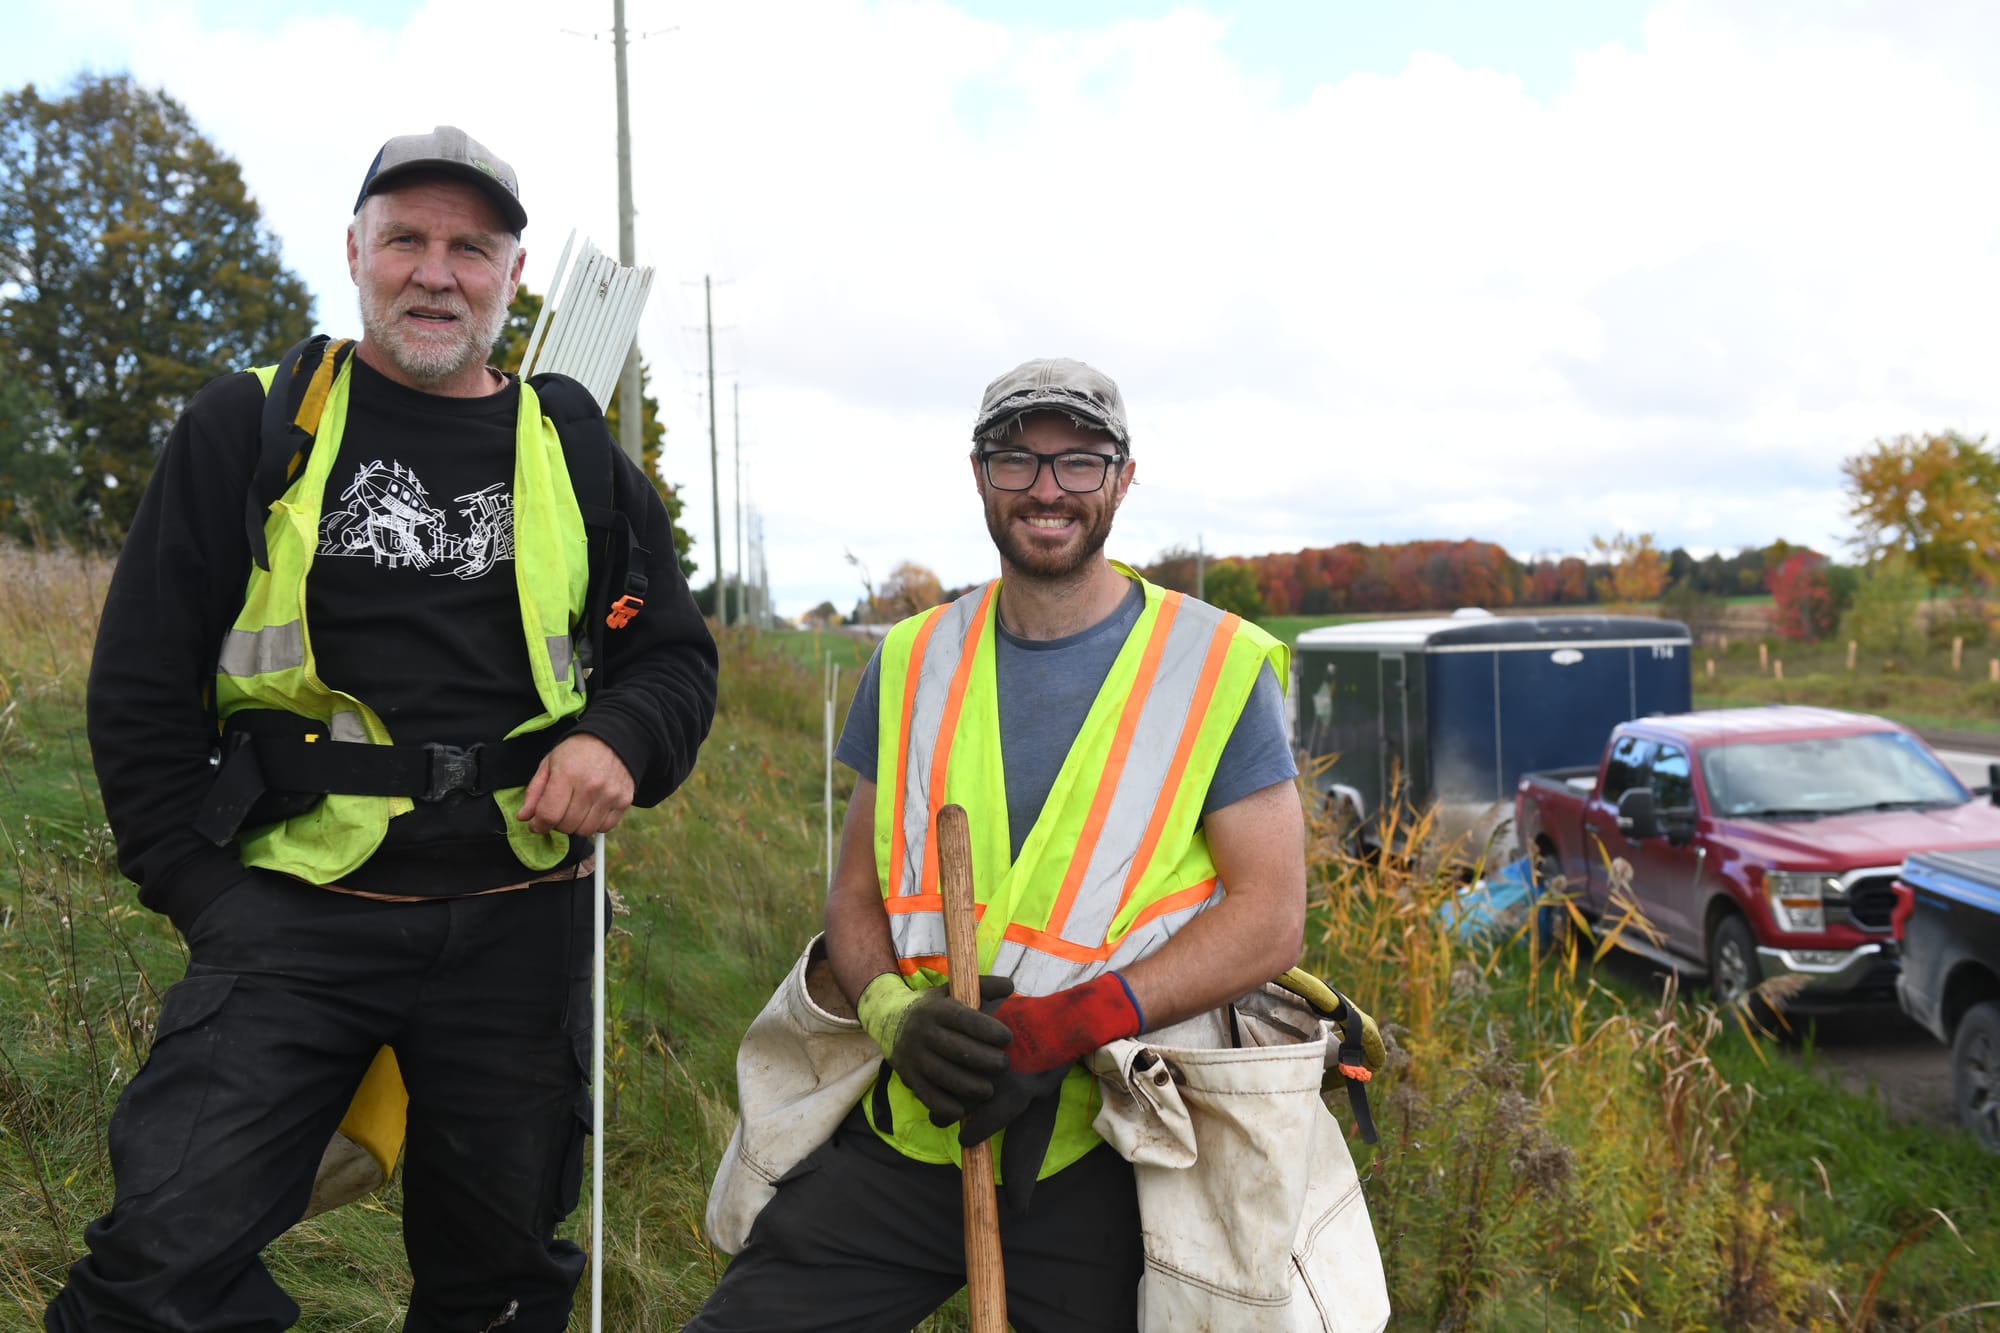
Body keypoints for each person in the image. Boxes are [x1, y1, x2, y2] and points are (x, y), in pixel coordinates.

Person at [47, 126, 718, 1333]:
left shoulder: (575, 451)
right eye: (404, 237)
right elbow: (139, 687)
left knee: (500, 1286)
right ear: (354, 250)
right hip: (293, 915)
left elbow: (669, 658)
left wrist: (619, 737)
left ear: (512, 278)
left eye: (471, 246)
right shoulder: (247, 427)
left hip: (522, 921)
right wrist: (204, 893)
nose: (434, 270)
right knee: (158, 1265)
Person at [687, 357, 1308, 1332]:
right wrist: (894, 1015)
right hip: (917, 1126)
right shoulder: (909, 659)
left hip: (1105, 1151)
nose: (1047, 488)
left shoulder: (1212, 665)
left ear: (1121, 477)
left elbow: (1269, 914)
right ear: (979, 472)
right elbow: (855, 892)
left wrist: (1071, 1022)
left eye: (1078, 460)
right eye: (1017, 459)